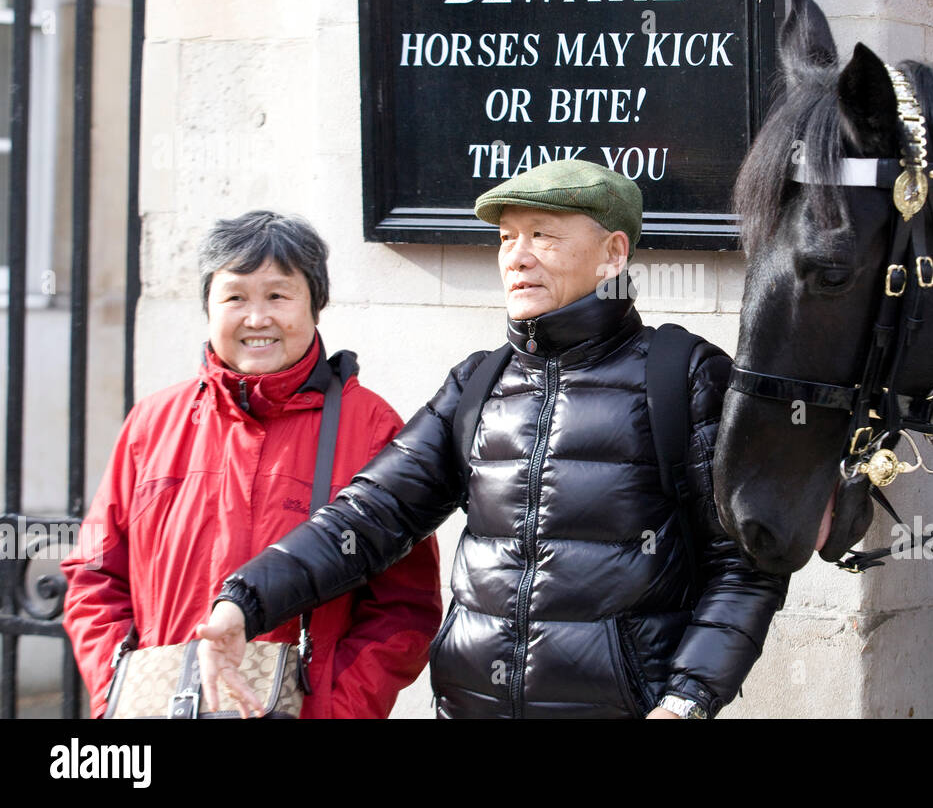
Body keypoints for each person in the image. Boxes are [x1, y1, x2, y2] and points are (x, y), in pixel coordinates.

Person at [199, 160, 789, 719]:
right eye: (507, 238)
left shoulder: (683, 374)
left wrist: (687, 699)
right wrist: (245, 602)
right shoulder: (478, 381)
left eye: (542, 235)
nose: (517, 257)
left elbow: (745, 563)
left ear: (613, 253)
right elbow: (370, 515)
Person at [60, 210, 443, 718]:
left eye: (278, 296)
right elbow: (94, 573)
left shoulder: (372, 427)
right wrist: (119, 686)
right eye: (235, 297)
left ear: (315, 305)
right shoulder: (151, 423)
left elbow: (403, 607)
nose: (257, 318)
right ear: (208, 305)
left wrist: (332, 709)